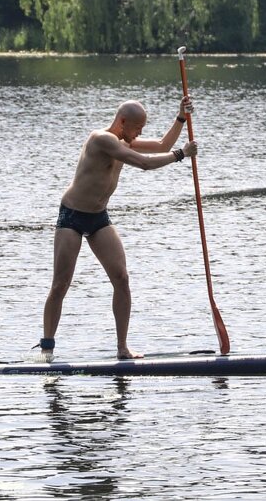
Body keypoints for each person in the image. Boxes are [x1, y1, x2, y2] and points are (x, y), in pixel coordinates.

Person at [40, 97, 197, 361]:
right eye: (137, 127)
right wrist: (181, 155)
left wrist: (180, 118)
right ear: (122, 122)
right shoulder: (101, 139)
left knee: (122, 278)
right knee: (61, 284)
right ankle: (47, 349)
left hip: (98, 217)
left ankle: (122, 348)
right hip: (72, 216)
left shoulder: (123, 140)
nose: (140, 133)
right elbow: (145, 163)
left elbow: (161, 145)